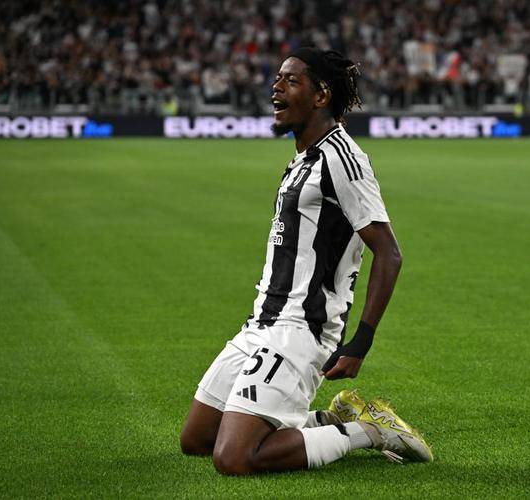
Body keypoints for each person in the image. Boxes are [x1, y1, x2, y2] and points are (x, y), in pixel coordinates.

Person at [180, 47, 433, 475]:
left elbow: (388, 252)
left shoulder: (342, 158)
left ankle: (369, 431)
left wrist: (361, 341)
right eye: (278, 78)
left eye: (291, 80)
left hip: (301, 327)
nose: (276, 87)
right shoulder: (303, 158)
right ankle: (330, 421)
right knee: (198, 439)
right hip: (263, 322)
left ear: (321, 96)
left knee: (234, 458)